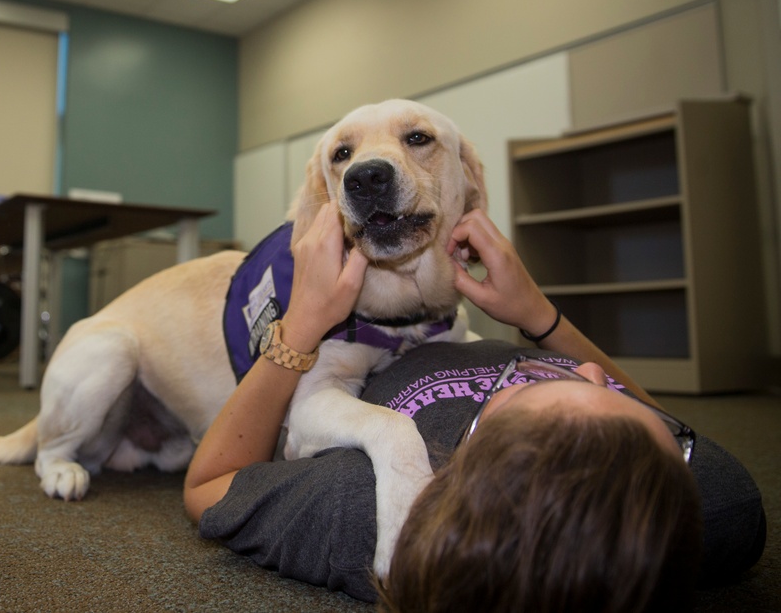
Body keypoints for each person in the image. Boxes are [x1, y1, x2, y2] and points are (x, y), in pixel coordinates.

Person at [183, 205, 766, 611]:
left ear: (467, 450)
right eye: (659, 429)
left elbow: (210, 482)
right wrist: (541, 318)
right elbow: (638, 412)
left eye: (545, 388)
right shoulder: (715, 503)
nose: (594, 371)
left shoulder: (374, 512)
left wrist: (303, 324)